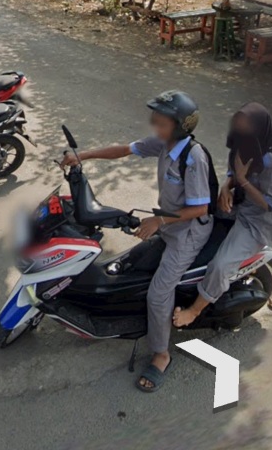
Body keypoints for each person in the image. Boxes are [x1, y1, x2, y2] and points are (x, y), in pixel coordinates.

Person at [61, 90, 213, 393]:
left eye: (162, 121)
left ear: (180, 126)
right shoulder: (164, 143)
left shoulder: (193, 158)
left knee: (158, 294)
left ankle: (161, 355)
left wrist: (159, 221)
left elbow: (200, 208)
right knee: (129, 265)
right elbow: (125, 149)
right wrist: (82, 156)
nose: (155, 124)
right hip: (169, 226)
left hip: (188, 234)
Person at [173, 101, 272, 329]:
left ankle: (194, 311)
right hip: (237, 205)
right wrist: (227, 187)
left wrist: (243, 181)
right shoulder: (241, 144)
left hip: (257, 222)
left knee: (220, 265)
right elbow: (232, 173)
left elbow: (270, 204)